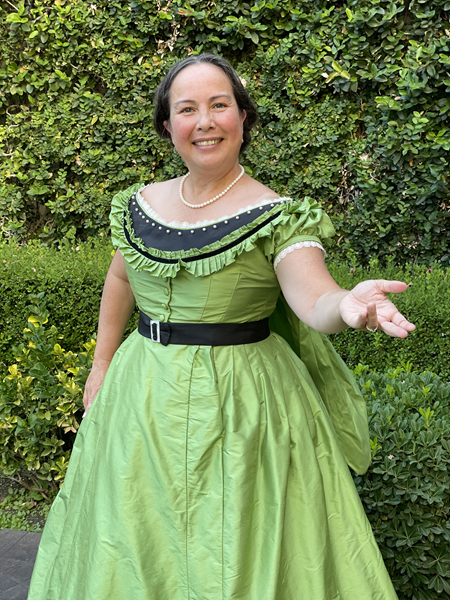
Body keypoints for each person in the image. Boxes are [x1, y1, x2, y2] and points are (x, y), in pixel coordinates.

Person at [28, 53, 414, 600]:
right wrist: (102, 364)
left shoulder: (278, 214)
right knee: (132, 536)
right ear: (168, 126)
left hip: (244, 407)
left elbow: (313, 295)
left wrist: (347, 305)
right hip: (139, 400)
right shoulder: (139, 204)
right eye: (187, 109)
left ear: (242, 118)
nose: (204, 121)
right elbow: (119, 281)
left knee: (235, 540)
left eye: (219, 105)